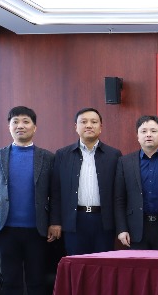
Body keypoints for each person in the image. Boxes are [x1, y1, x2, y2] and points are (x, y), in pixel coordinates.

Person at [0, 107, 54, 295]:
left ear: (35, 127)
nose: (20, 125)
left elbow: (55, 192)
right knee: (10, 280)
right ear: (9, 127)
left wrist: (55, 222)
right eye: (15, 122)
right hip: (6, 229)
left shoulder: (47, 157)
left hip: (37, 229)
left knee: (37, 279)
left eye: (26, 121)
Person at [50, 108, 121, 255]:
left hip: (104, 221)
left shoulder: (114, 155)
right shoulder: (63, 155)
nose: (89, 125)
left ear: (100, 127)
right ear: (76, 127)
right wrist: (55, 221)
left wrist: (121, 226)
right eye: (83, 122)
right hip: (74, 220)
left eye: (94, 122)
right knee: (77, 264)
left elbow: (119, 193)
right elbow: (55, 191)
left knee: (103, 264)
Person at [114, 115, 158, 250]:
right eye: (144, 131)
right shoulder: (124, 162)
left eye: (153, 131)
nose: (148, 134)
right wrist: (122, 229)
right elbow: (119, 199)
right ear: (137, 136)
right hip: (135, 229)